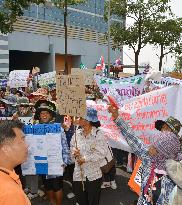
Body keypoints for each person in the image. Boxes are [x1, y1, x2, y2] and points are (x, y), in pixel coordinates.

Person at [108, 105, 182, 205]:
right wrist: (117, 117)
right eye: (162, 128)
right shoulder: (149, 156)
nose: (163, 130)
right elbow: (132, 138)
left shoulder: (177, 170)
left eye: (167, 128)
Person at [34, 100, 71, 205]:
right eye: (42, 113)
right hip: (42, 162)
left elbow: (64, 146)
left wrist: (64, 162)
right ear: (39, 115)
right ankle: (52, 203)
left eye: (46, 113)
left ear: (50, 115)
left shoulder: (58, 128)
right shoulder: (35, 128)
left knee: (57, 187)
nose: (44, 115)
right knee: (47, 186)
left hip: (56, 162)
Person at [70, 107, 109, 205]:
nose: (78, 120)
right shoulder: (77, 134)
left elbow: (102, 152)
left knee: (93, 201)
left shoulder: (98, 134)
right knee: (81, 200)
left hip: (94, 175)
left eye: (81, 118)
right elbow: (72, 147)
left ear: (88, 121)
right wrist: (74, 152)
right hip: (79, 175)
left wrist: (85, 159)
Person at [0, 120, 30, 205]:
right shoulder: (10, 193)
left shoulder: (7, 173)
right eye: (22, 140)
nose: (27, 145)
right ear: (6, 148)